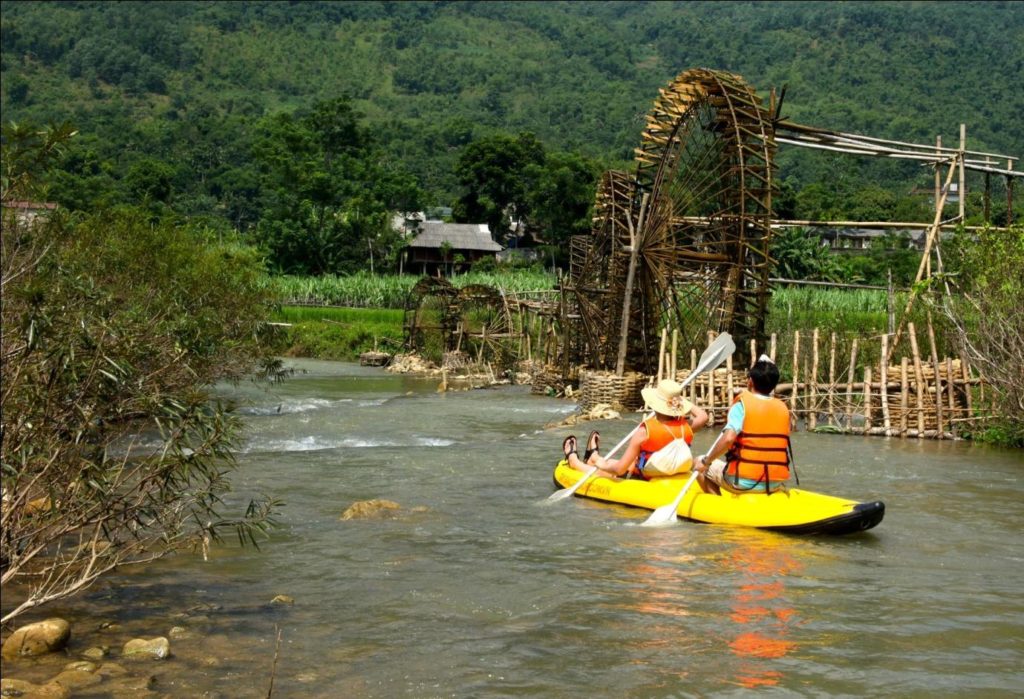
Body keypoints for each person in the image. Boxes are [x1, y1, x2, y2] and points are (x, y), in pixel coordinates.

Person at [562, 378, 708, 480]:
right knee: (625, 463)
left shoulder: (645, 431)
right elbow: (703, 416)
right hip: (668, 470)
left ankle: (575, 462)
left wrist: (601, 465)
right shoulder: (685, 427)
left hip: (643, 475)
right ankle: (593, 457)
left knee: (613, 471)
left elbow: (619, 469)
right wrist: (680, 401)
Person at [692, 355, 792, 495]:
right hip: (775, 482)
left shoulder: (742, 405)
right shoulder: (783, 408)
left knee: (698, 461)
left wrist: (706, 462)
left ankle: (717, 504)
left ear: (750, 381)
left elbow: (728, 439)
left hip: (743, 482)